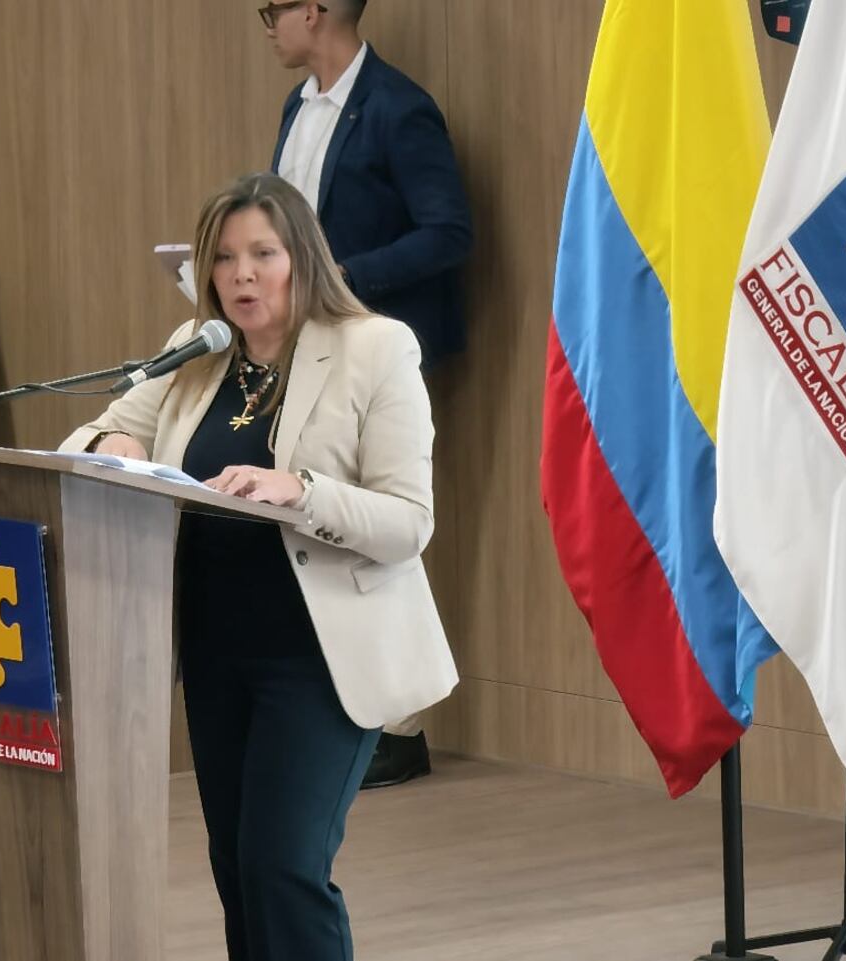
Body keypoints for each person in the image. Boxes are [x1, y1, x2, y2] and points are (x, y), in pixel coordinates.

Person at [61, 173, 457, 960]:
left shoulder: (374, 348)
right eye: (225, 259)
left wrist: (302, 490)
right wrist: (115, 444)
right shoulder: (196, 352)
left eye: (264, 254)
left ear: (302, 258)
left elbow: (409, 521)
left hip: (319, 658)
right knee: (236, 867)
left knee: (283, 866)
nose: (242, 275)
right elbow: (84, 438)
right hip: (215, 651)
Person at [264, 0, 472, 786]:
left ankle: (401, 723)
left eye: (271, 11)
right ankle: (345, 707)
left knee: (378, 524)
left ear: (313, 11)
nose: (269, 27)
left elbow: (449, 232)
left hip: (379, 346)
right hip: (306, 345)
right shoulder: (298, 106)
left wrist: (346, 278)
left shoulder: (399, 108)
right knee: (322, 514)